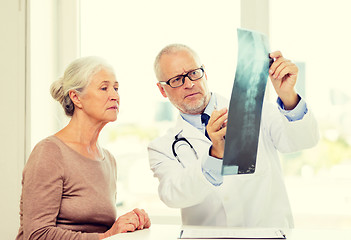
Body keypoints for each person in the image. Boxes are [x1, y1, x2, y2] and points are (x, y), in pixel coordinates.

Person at [148, 44, 319, 228]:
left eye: (193, 73)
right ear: (162, 90)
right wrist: (215, 154)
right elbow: (173, 196)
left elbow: (305, 140)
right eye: (177, 80)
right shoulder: (161, 147)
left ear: (204, 73)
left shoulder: (256, 110)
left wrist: (288, 96)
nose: (189, 84)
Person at [16, 56, 151, 240]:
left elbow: (95, 228)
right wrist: (107, 236)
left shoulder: (108, 160)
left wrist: (127, 225)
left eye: (116, 88)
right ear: (76, 97)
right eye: (104, 88)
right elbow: (37, 235)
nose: (115, 95)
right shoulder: (49, 152)